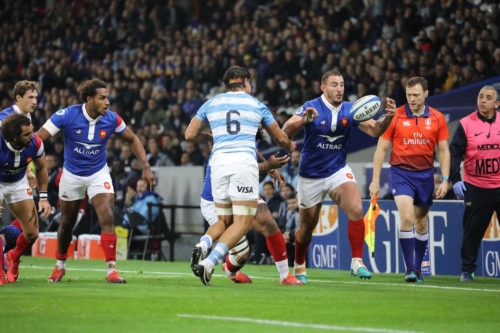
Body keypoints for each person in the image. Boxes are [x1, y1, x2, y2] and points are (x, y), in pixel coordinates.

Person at [36, 78, 156, 283]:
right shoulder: (67, 115)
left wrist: (146, 166)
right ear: (89, 99)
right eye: (102, 98)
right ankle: (60, 265)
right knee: (67, 223)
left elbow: (133, 138)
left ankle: (112, 271)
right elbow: (38, 138)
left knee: (108, 215)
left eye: (108, 98)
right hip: (72, 175)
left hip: (98, 173)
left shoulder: (112, 119)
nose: (107, 102)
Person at [282, 70, 396, 283]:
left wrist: (388, 117)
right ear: (323, 87)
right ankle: (299, 265)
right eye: (334, 84)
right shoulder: (311, 106)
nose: (339, 89)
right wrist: (303, 120)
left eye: (342, 84)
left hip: (337, 170)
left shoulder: (351, 110)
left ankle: (356, 262)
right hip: (311, 175)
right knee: (307, 227)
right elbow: (285, 130)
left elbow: (375, 131)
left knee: (356, 208)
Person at [185, 66, 295, 285]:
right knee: (242, 227)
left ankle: (204, 245)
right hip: (242, 168)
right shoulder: (255, 105)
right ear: (245, 81)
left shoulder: (211, 103)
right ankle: (211, 262)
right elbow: (280, 139)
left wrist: (210, 137)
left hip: (218, 166)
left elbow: (189, 135)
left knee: (236, 222)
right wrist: (290, 145)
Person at [369, 77, 450, 283]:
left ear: (426, 94)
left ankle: (418, 269)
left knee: (421, 223)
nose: (412, 99)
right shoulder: (394, 116)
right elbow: (381, 149)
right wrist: (375, 180)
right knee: (406, 217)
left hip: (425, 175)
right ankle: (411, 269)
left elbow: (443, 150)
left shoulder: (438, 118)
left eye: (416, 95)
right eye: (408, 95)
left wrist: (446, 178)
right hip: (401, 173)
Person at [449, 85, 500, 282]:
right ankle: (467, 270)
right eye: (480, 96)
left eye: (488, 98)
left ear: (497, 104)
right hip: (476, 187)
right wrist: (455, 180)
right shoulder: (465, 124)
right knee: (472, 232)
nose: (483, 100)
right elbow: (454, 154)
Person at [0, 114, 51, 284]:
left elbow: (42, 168)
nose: (32, 135)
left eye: (31, 131)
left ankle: (12, 257)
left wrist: (43, 198)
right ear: (14, 137)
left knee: (32, 233)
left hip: (17, 182)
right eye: (27, 134)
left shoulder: (35, 143)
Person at [0, 80, 39, 235]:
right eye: (30, 97)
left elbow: (19, 150)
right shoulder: (4, 119)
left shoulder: (26, 117)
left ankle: (9, 253)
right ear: (18, 98)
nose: (34, 101)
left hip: (16, 177)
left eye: (36, 97)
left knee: (31, 229)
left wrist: (28, 171)